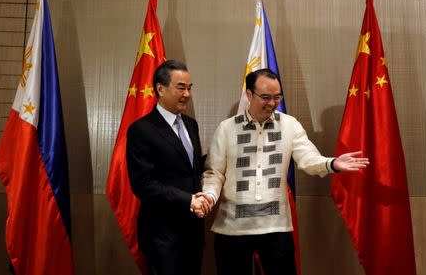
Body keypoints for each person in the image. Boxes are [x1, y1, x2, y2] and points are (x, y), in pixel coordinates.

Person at [200, 68, 369, 275]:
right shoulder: (226, 129)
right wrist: (209, 195)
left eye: (276, 97)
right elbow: (214, 173)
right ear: (249, 95)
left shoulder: (289, 125)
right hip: (232, 227)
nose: (271, 103)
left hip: (276, 228)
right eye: (265, 97)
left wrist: (332, 164)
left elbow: (308, 159)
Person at [126, 60, 210, 275]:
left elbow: (190, 168)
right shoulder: (141, 129)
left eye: (190, 88)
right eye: (181, 87)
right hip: (162, 237)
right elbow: (143, 184)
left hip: (193, 233)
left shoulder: (191, 124)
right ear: (160, 89)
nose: (187, 94)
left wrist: (223, 157)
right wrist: (188, 200)